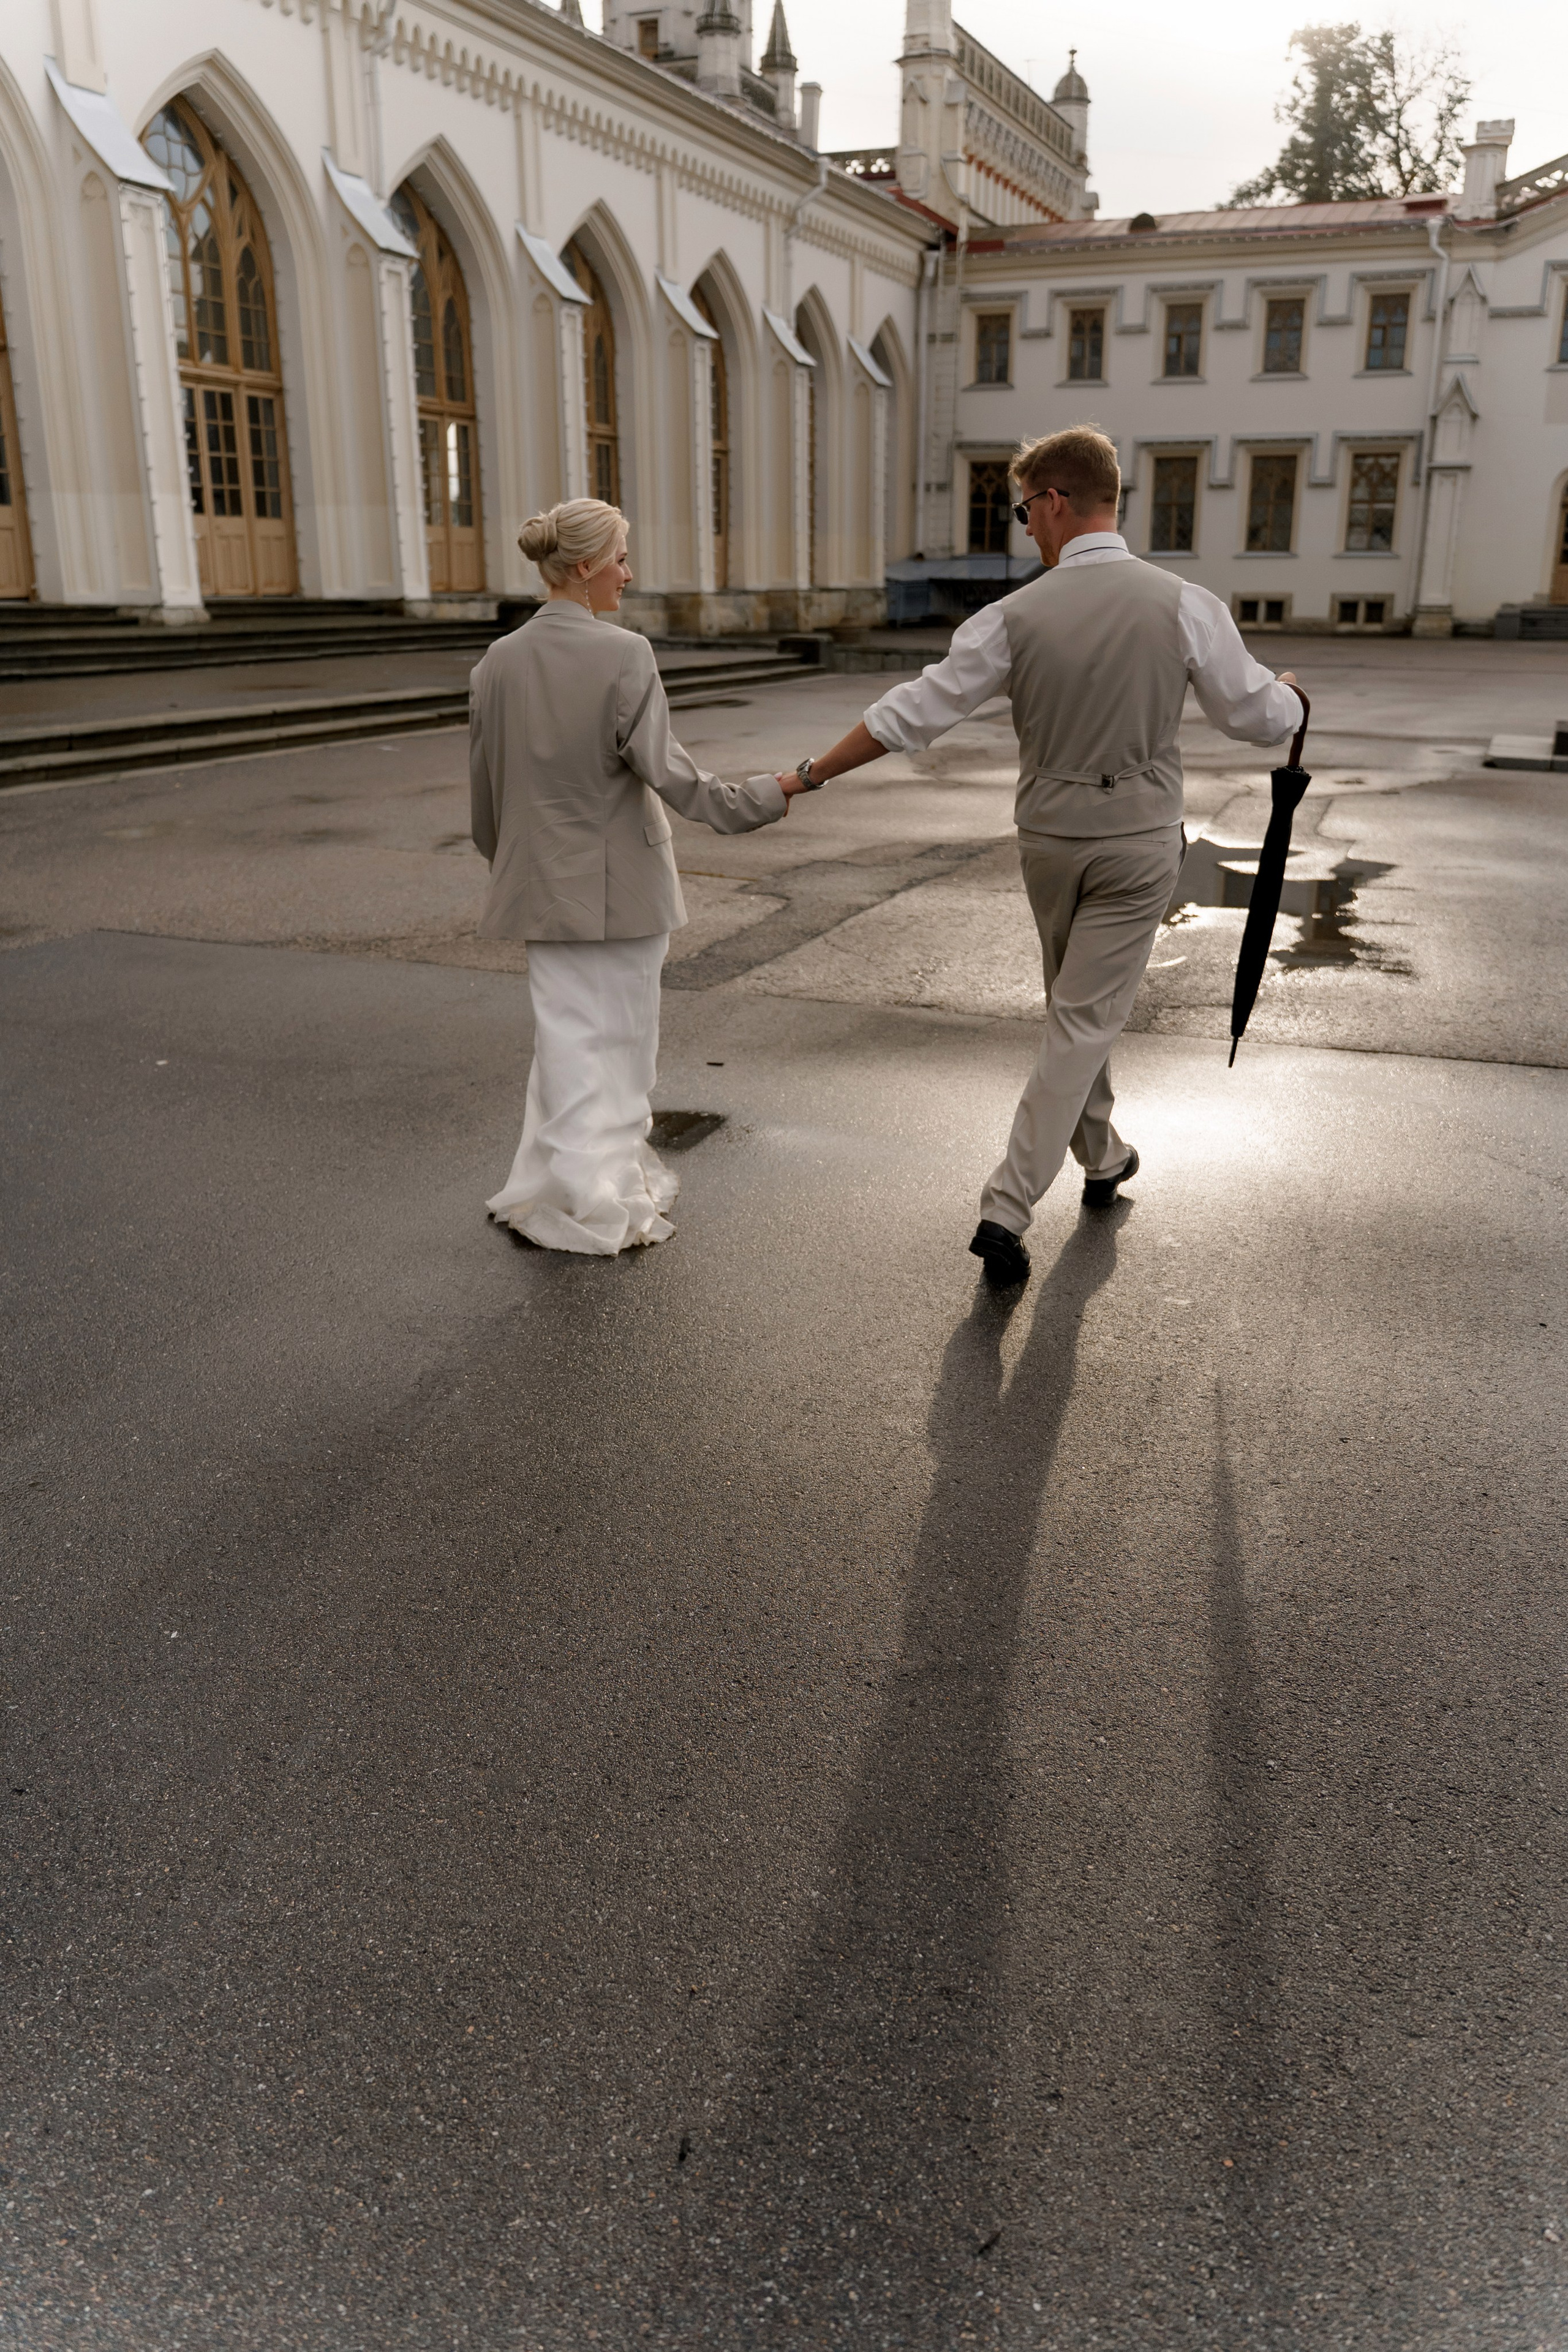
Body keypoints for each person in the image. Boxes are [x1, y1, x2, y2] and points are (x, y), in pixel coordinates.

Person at [778, 424, 1304, 1286]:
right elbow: (1255, 719)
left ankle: (1104, 1157)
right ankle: (1007, 1203)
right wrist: (1285, 694)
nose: (1025, 527)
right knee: (1082, 1016)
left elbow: (914, 711)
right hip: (1136, 840)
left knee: (1073, 1009)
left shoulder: (1012, 617)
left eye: (1024, 510)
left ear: (1058, 500)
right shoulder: (1184, 603)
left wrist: (811, 775)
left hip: (1050, 842)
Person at [470, 498, 803, 1256]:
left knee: (564, 1043)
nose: (630, 571)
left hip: (539, 888)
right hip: (625, 889)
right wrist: (770, 792)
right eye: (621, 557)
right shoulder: (623, 653)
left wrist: (518, 871)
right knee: (622, 1044)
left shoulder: (496, 662)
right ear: (584, 568)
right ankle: (599, 1194)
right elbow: (675, 778)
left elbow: (484, 798)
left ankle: (561, 1185)